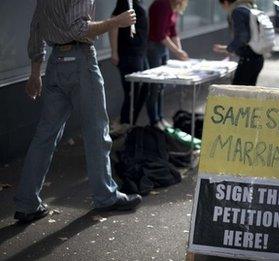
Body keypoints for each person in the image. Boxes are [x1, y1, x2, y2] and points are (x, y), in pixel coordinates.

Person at [15, 0, 143, 223]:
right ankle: (105, 196)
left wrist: (35, 72)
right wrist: (117, 22)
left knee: (44, 136)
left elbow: (36, 28)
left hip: (55, 63)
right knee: (97, 133)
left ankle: (26, 203)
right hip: (80, 60)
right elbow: (79, 29)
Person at [147, 0, 189, 127]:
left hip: (164, 47)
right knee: (155, 85)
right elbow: (160, 34)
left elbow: (173, 31)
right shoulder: (162, 5)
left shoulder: (173, 7)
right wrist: (177, 51)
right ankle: (154, 120)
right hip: (154, 46)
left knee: (161, 85)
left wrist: (180, 51)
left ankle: (160, 117)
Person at [109, 0, 149, 132]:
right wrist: (114, 52)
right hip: (129, 54)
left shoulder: (138, 3)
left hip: (140, 53)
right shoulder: (125, 3)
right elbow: (113, 25)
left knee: (144, 87)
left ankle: (127, 122)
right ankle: (125, 124)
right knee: (132, 92)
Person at [213, 0, 264, 86]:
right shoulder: (248, 7)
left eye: (222, 6)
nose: (223, 9)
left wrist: (229, 49)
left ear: (225, 2)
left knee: (237, 93)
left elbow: (243, 37)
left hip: (248, 60)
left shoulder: (237, 11)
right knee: (247, 93)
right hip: (257, 58)